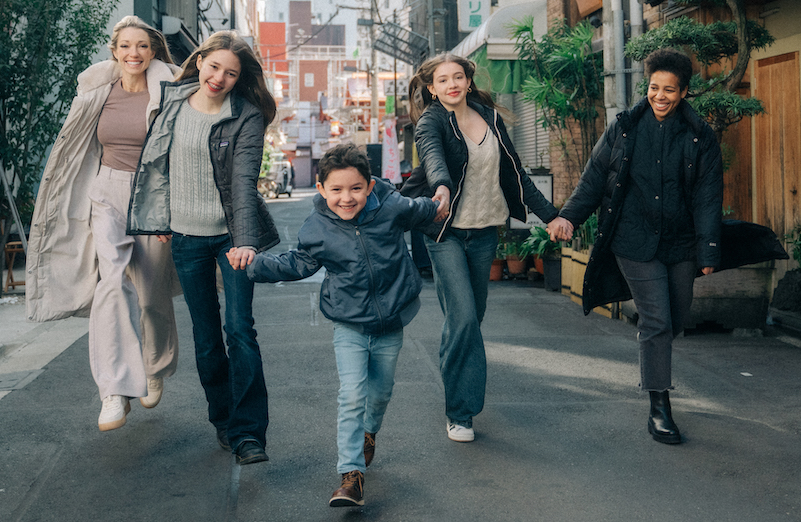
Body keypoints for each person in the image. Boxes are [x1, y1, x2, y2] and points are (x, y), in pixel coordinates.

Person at [233, 143, 438, 507]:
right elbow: (296, 264)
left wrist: (440, 200)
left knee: (381, 393)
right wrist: (253, 263)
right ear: (321, 188)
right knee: (352, 394)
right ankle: (351, 475)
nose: (347, 198)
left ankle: (368, 434)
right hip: (349, 323)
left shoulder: (391, 207)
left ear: (370, 185)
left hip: (392, 319)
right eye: (337, 190)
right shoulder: (318, 227)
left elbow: (422, 210)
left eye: (356, 188)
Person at [547, 48, 723, 445]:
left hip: (680, 242)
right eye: (654, 88)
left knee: (675, 319)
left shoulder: (699, 134)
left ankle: (654, 356)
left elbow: (708, 196)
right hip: (634, 238)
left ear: (684, 92)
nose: (660, 96)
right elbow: (594, 177)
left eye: (670, 90)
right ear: (647, 87)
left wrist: (708, 250)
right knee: (657, 320)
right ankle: (659, 407)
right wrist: (569, 217)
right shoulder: (625, 127)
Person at [127, 31, 279, 465]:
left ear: (238, 78)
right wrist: (159, 216)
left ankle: (249, 434)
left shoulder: (245, 115)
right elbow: (155, 163)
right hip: (186, 238)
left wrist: (246, 241)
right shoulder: (172, 101)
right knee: (208, 338)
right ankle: (223, 419)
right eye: (215, 67)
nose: (220, 77)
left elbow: (244, 180)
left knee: (240, 330)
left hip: (232, 238)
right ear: (200, 61)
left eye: (231, 73)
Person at [26, 15, 181, 431]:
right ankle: (113, 389)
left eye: (142, 47)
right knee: (111, 283)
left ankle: (153, 366)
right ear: (114, 51)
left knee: (151, 293)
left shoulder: (172, 90)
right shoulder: (96, 90)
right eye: (126, 46)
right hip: (107, 191)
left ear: (152, 52)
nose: (134, 53)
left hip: (153, 195)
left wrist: (174, 207)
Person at [401, 53, 559, 442]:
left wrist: (551, 216)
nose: (452, 84)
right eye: (443, 80)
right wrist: (440, 188)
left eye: (458, 77)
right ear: (433, 88)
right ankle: (460, 413)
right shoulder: (431, 122)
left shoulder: (489, 118)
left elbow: (516, 173)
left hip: (485, 231)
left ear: (468, 82)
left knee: (468, 319)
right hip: (445, 232)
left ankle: (455, 367)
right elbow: (435, 160)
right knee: (465, 319)